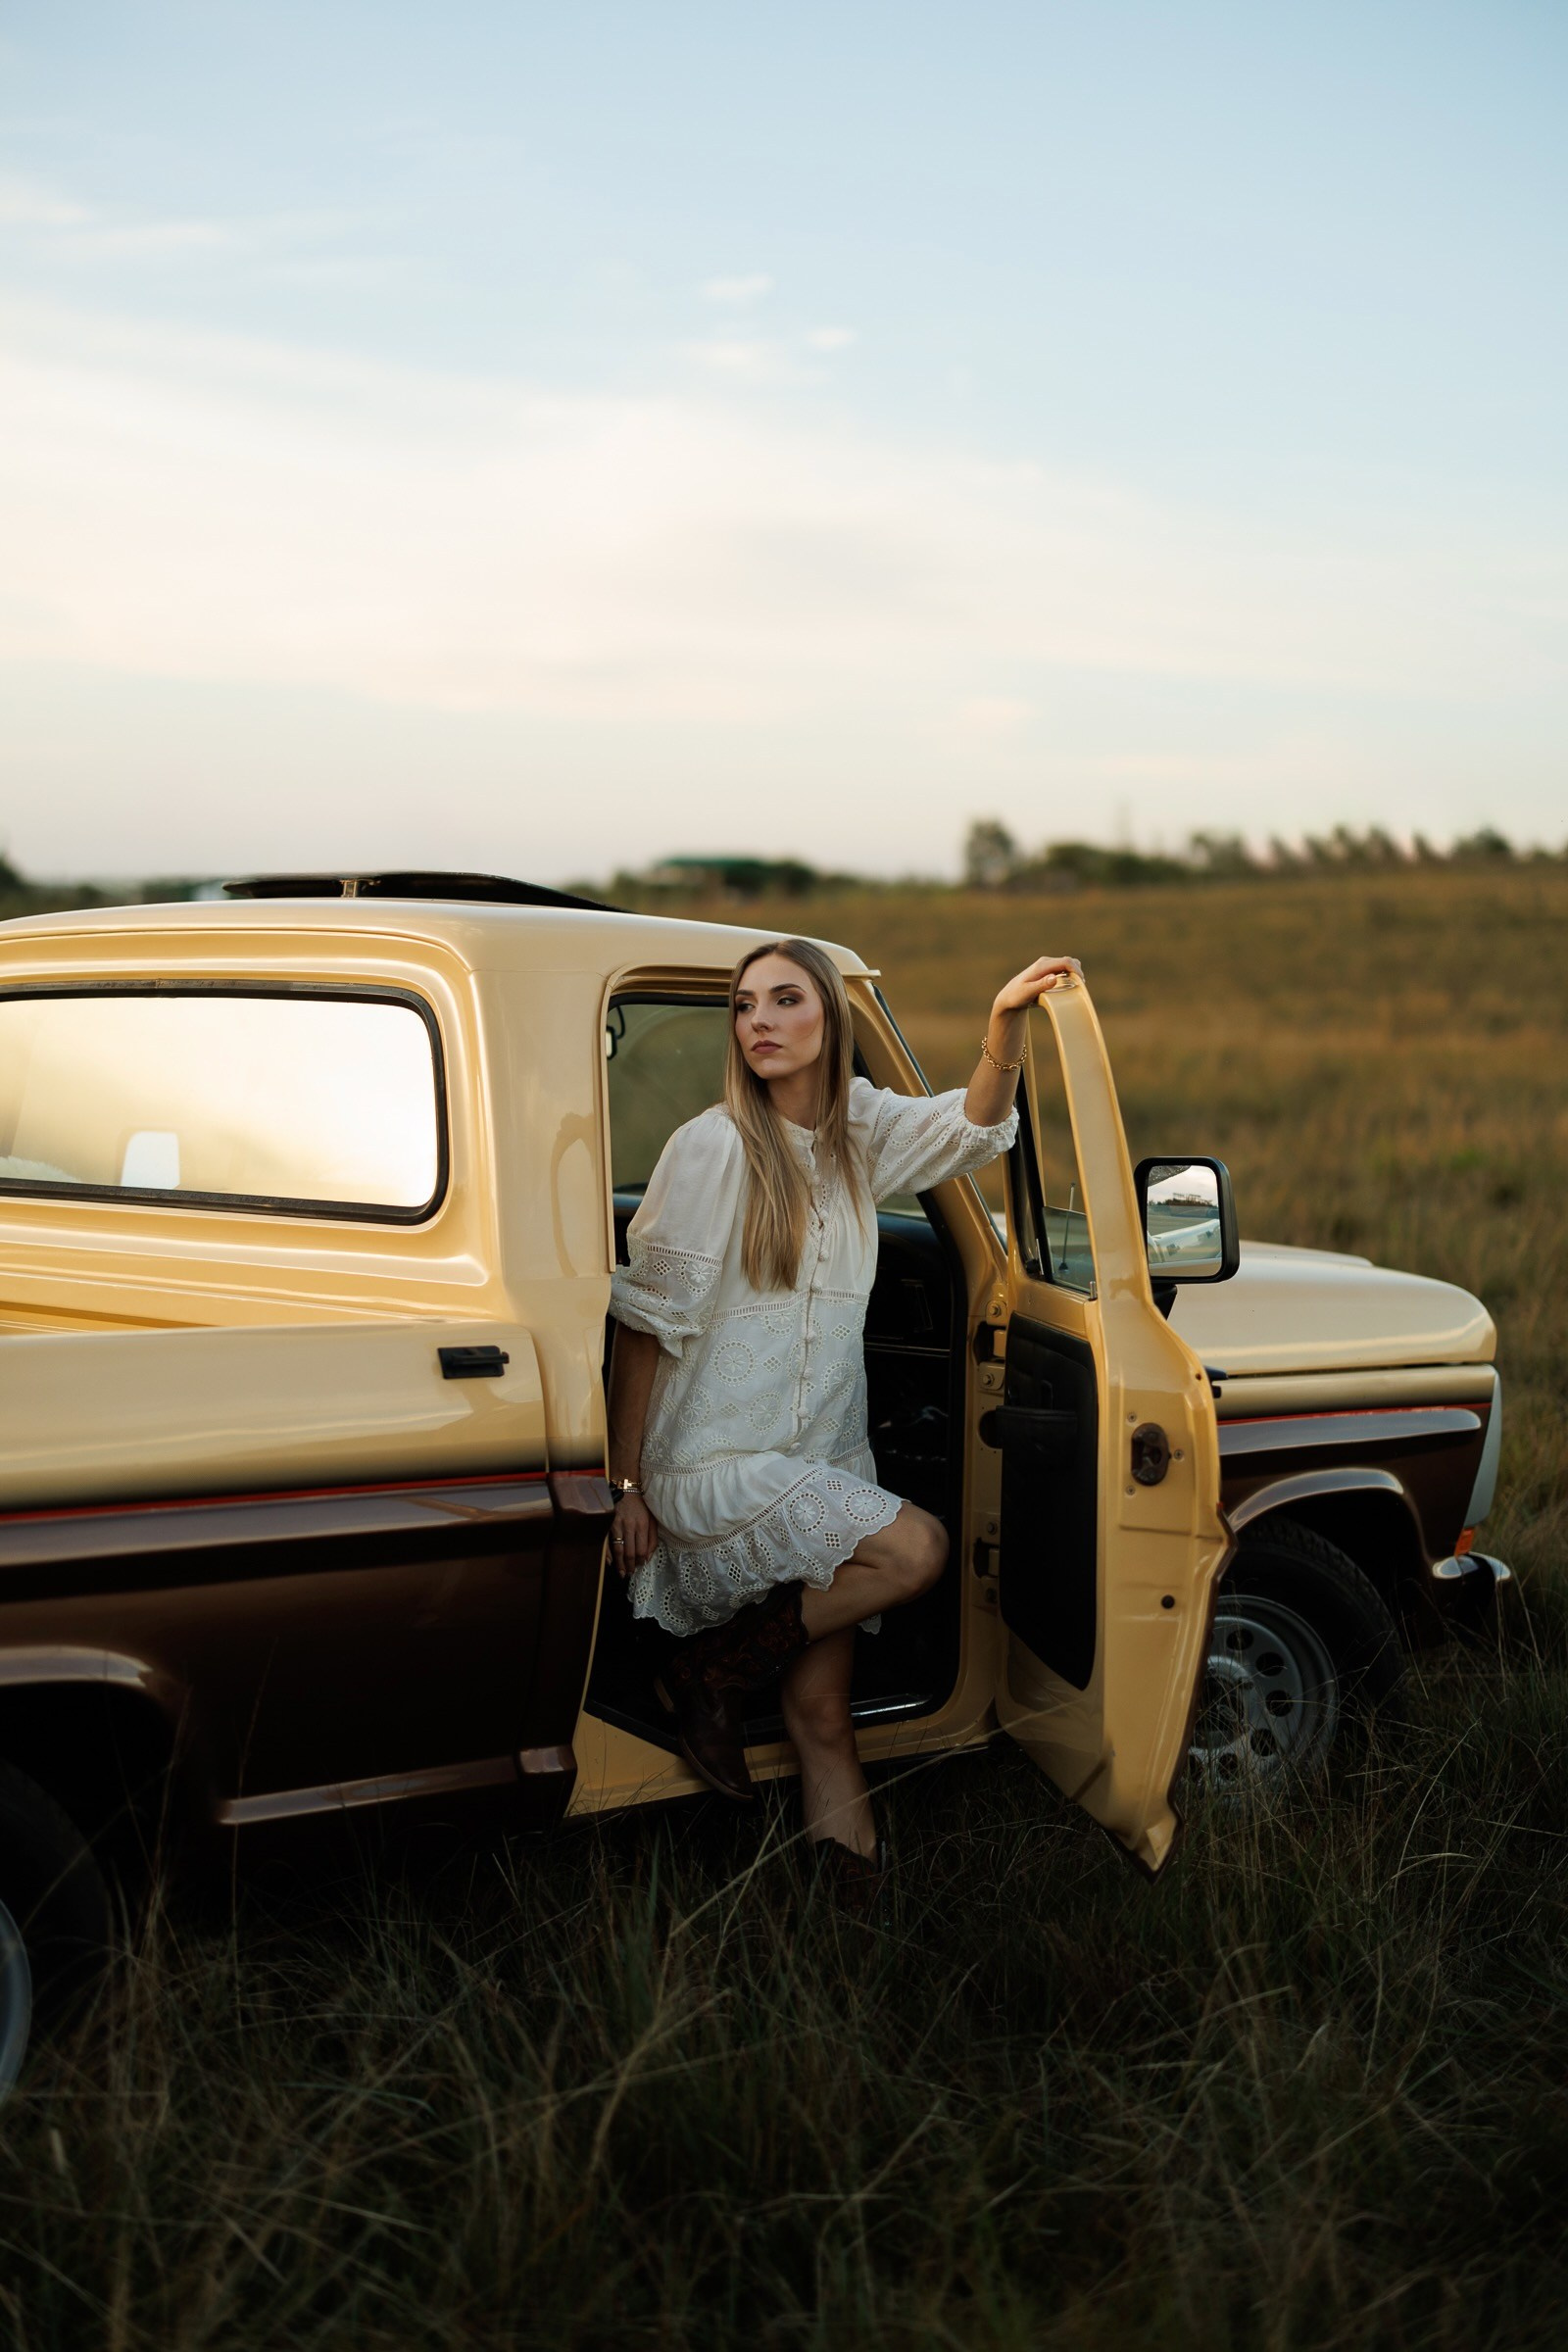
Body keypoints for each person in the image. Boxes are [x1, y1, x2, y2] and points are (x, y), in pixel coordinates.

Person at [606, 936, 1081, 1900]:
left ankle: (855, 1925)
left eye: (785, 1001)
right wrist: (624, 1486)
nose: (760, 1022)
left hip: (824, 1461)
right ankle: (707, 1672)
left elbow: (974, 1126)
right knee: (917, 1550)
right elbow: (644, 1327)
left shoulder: (859, 1132)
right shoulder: (711, 1147)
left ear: (831, 1018)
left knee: (822, 1716)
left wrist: (1003, 1025)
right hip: (715, 1469)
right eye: (745, 1006)